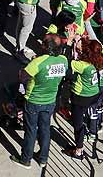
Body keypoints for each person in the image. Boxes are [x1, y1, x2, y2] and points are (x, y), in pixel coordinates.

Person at [11, 32, 70, 168]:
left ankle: (26, 159)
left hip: (33, 101)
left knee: (31, 130)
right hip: (50, 100)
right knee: (45, 129)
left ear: (45, 47)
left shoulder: (38, 62)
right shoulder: (63, 60)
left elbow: (22, 77)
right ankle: (43, 158)